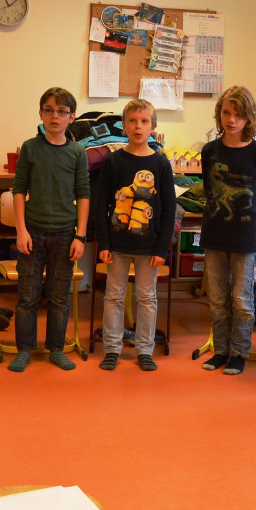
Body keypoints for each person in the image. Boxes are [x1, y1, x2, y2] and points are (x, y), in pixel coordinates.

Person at [7, 87, 90, 372]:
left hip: (65, 235)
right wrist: (21, 230)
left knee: (58, 297)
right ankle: (24, 349)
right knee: (27, 296)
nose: (55, 116)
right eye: (49, 110)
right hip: (33, 232)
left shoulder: (78, 153)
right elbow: (19, 190)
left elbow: (83, 194)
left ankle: (56, 348)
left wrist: (80, 235)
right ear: (41, 113)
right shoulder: (31, 147)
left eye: (62, 111)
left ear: (72, 117)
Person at [95, 99, 176, 371]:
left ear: (153, 127)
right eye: (132, 121)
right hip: (116, 245)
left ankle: (144, 349)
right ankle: (112, 348)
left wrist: (161, 249)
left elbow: (168, 209)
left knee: (146, 298)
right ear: (123, 125)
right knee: (114, 297)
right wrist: (103, 243)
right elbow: (101, 203)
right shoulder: (113, 161)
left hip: (148, 247)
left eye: (144, 122)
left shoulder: (161, 164)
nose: (138, 126)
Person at [199, 85, 256, 376]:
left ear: (248, 117)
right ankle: (220, 350)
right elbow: (209, 188)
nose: (231, 120)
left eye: (238, 114)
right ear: (219, 114)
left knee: (241, 299)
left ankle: (238, 353)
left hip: (245, 236)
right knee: (217, 298)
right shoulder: (210, 150)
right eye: (226, 113)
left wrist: (246, 219)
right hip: (214, 232)